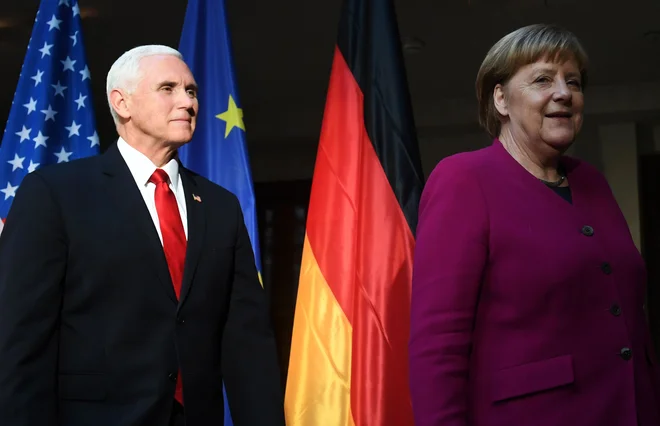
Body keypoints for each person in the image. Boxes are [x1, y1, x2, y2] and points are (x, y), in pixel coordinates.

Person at [0, 45, 285, 426]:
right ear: (122, 103)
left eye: (192, 91)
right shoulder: (56, 193)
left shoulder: (220, 206)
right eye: (168, 88)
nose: (187, 102)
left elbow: (247, 342)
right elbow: (21, 338)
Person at [409, 24, 660, 426]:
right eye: (543, 79)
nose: (564, 92)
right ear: (501, 99)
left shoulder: (593, 183)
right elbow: (437, 346)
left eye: (573, 82)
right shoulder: (464, 179)